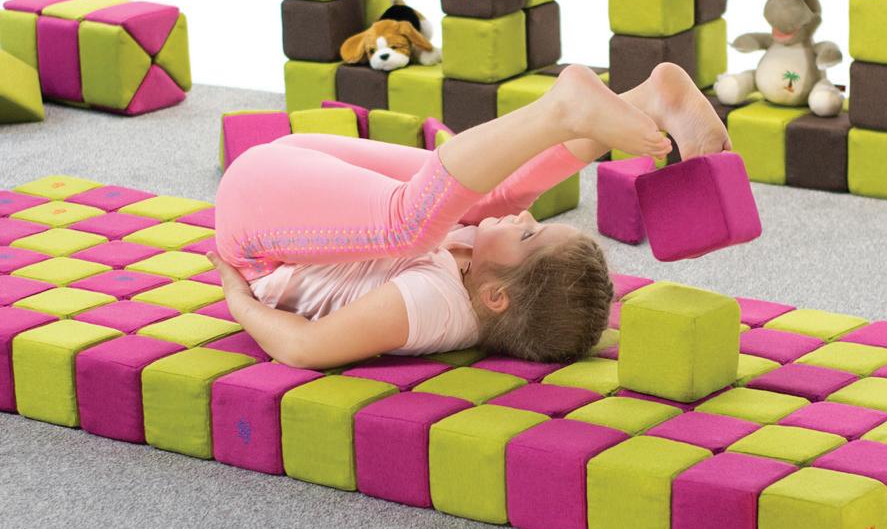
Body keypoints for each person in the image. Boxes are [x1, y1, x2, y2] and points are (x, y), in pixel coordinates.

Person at [209, 63, 731, 370]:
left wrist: (237, 298)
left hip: (258, 235)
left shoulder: (434, 307)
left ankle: (561, 110)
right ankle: (651, 99)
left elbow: (303, 348)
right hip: (299, 177)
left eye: (527, 235)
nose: (524, 218)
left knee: (413, 226)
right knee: (492, 199)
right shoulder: (476, 271)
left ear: (496, 296)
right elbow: (499, 209)